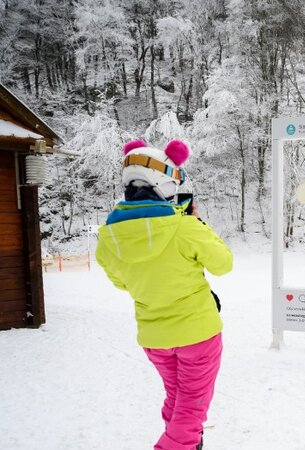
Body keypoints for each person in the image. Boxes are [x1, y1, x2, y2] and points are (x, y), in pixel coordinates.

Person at [96, 139, 233, 450]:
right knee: (191, 407)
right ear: (165, 183)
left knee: (178, 398)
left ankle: (189, 443)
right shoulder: (184, 227)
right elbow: (223, 264)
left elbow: (122, 284)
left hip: (154, 338)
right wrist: (196, 222)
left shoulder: (108, 238)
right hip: (198, 333)